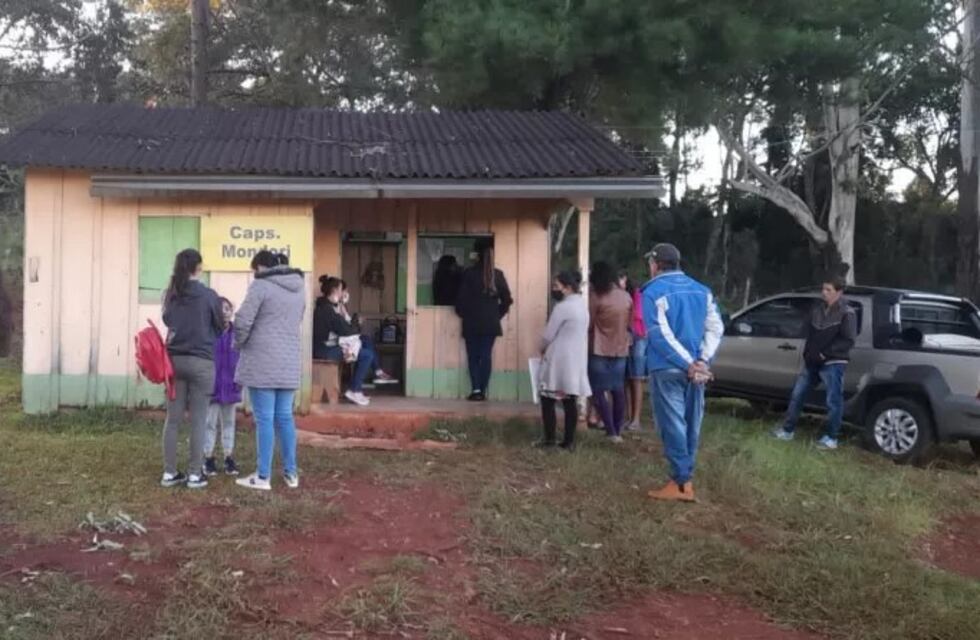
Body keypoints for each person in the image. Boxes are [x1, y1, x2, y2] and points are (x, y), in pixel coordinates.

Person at [642, 243, 723, 502]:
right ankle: (685, 480)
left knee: (673, 424)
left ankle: (680, 481)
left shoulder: (653, 292)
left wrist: (690, 363)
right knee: (691, 424)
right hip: (696, 369)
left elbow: (659, 335)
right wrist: (701, 360)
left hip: (669, 368)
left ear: (656, 264)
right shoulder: (702, 290)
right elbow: (715, 328)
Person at [234, 250, 306, 491]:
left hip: (262, 361)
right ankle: (291, 473)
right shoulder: (299, 289)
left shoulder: (261, 286)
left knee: (264, 418)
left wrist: (238, 343)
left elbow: (243, 321)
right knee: (285, 417)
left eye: (255, 269)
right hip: (288, 362)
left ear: (262, 268)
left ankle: (263, 476)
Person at [160, 249, 224, 489]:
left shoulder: (172, 294)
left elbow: (167, 320)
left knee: (173, 419)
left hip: (174, 361)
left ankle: (169, 473)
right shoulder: (209, 296)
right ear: (198, 267)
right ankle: (195, 474)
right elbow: (220, 325)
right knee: (198, 420)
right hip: (202, 362)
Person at [772, 274, 856, 450]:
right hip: (812, 361)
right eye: (823, 289)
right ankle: (788, 430)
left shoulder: (847, 312)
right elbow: (811, 333)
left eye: (828, 290)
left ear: (839, 292)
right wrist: (808, 352)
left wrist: (826, 354)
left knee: (833, 400)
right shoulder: (817, 309)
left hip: (833, 362)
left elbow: (848, 340)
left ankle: (831, 438)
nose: (824, 293)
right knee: (797, 394)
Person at [536, 270, 591, 450]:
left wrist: (541, 348)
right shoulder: (582, 305)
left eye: (556, 286)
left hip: (559, 358)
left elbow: (548, 334)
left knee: (548, 399)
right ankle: (569, 441)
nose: (554, 289)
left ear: (567, 287)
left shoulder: (562, 307)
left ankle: (550, 440)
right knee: (569, 401)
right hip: (576, 358)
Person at [455, 238, 513, 401]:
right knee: (485, 355)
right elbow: (507, 300)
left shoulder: (468, 274)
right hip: (490, 324)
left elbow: (460, 302)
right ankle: (483, 390)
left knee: (473, 357)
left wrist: (465, 314)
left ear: (476, 255)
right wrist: (497, 315)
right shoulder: (498, 275)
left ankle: (476, 390)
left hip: (472, 322)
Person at [312, 277, 381, 406]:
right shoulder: (327, 310)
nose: (342, 292)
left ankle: (356, 388)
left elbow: (344, 328)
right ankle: (354, 389)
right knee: (366, 355)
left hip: (326, 347)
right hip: (324, 350)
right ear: (334, 290)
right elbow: (346, 330)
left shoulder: (326, 306)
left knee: (364, 348)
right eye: (340, 289)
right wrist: (356, 323)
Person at [588, 262, 632, 443]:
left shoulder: (596, 297)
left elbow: (589, 323)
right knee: (617, 390)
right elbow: (629, 324)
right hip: (621, 349)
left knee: (598, 390)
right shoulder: (626, 297)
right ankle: (618, 429)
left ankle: (610, 430)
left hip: (599, 348)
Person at [203, 297, 241, 477]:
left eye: (228, 308)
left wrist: (239, 380)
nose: (225, 312)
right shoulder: (208, 333)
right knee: (209, 423)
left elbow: (242, 358)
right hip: (212, 387)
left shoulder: (237, 334)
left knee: (229, 423)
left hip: (231, 386)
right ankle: (208, 458)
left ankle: (229, 458)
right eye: (221, 309)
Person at [338, 280, 397, 386]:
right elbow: (346, 327)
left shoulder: (342, 306)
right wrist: (356, 323)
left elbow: (349, 324)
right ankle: (375, 373)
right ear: (339, 291)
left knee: (366, 341)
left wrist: (356, 322)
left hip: (348, 338)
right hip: (342, 341)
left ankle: (373, 374)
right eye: (344, 291)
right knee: (366, 346)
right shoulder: (337, 307)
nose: (347, 293)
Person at [623, 272, 647, 431]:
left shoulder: (638, 295)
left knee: (636, 378)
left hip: (638, 337)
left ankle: (636, 418)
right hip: (627, 336)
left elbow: (638, 315)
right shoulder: (624, 296)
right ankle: (628, 416)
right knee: (626, 379)